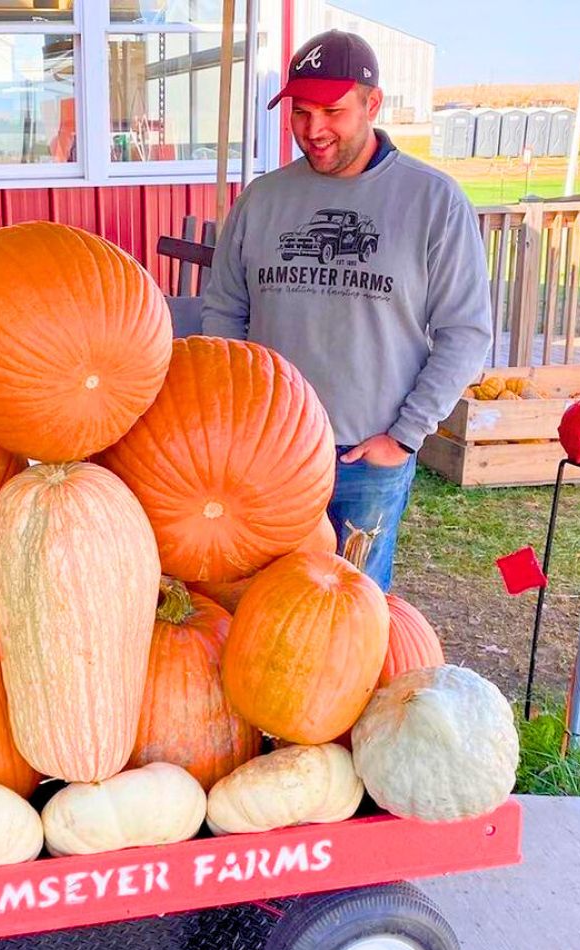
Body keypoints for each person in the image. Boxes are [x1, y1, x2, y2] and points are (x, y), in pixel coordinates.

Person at [201, 30, 492, 590]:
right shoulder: (262, 199)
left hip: (364, 456)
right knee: (257, 604)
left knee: (348, 617)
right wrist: (236, 415)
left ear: (372, 103)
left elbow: (465, 331)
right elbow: (224, 309)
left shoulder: (433, 201)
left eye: (332, 111)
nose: (314, 130)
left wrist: (404, 437)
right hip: (265, 455)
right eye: (301, 112)